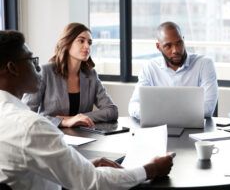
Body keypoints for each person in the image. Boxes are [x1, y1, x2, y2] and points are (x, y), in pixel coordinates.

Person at [0, 30, 173, 189]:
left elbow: (33, 167)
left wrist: (84, 166)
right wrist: (151, 169)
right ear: (12, 68)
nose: (37, 66)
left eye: (89, 42)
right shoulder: (30, 126)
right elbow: (94, 183)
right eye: (31, 60)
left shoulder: (10, 118)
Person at [22, 23, 118, 128]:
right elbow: (26, 114)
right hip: (51, 136)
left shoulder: (91, 75)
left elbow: (112, 110)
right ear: (67, 43)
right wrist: (61, 121)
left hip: (84, 137)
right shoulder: (45, 71)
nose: (87, 46)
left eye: (89, 43)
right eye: (81, 41)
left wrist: (79, 118)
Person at [128, 21, 218, 119]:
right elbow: (133, 105)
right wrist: (158, 114)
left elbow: (208, 108)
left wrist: (159, 113)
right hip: (160, 127)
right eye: (168, 46)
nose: (175, 50)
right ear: (158, 47)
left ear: (183, 40)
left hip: (194, 129)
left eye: (179, 43)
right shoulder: (149, 68)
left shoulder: (204, 64)